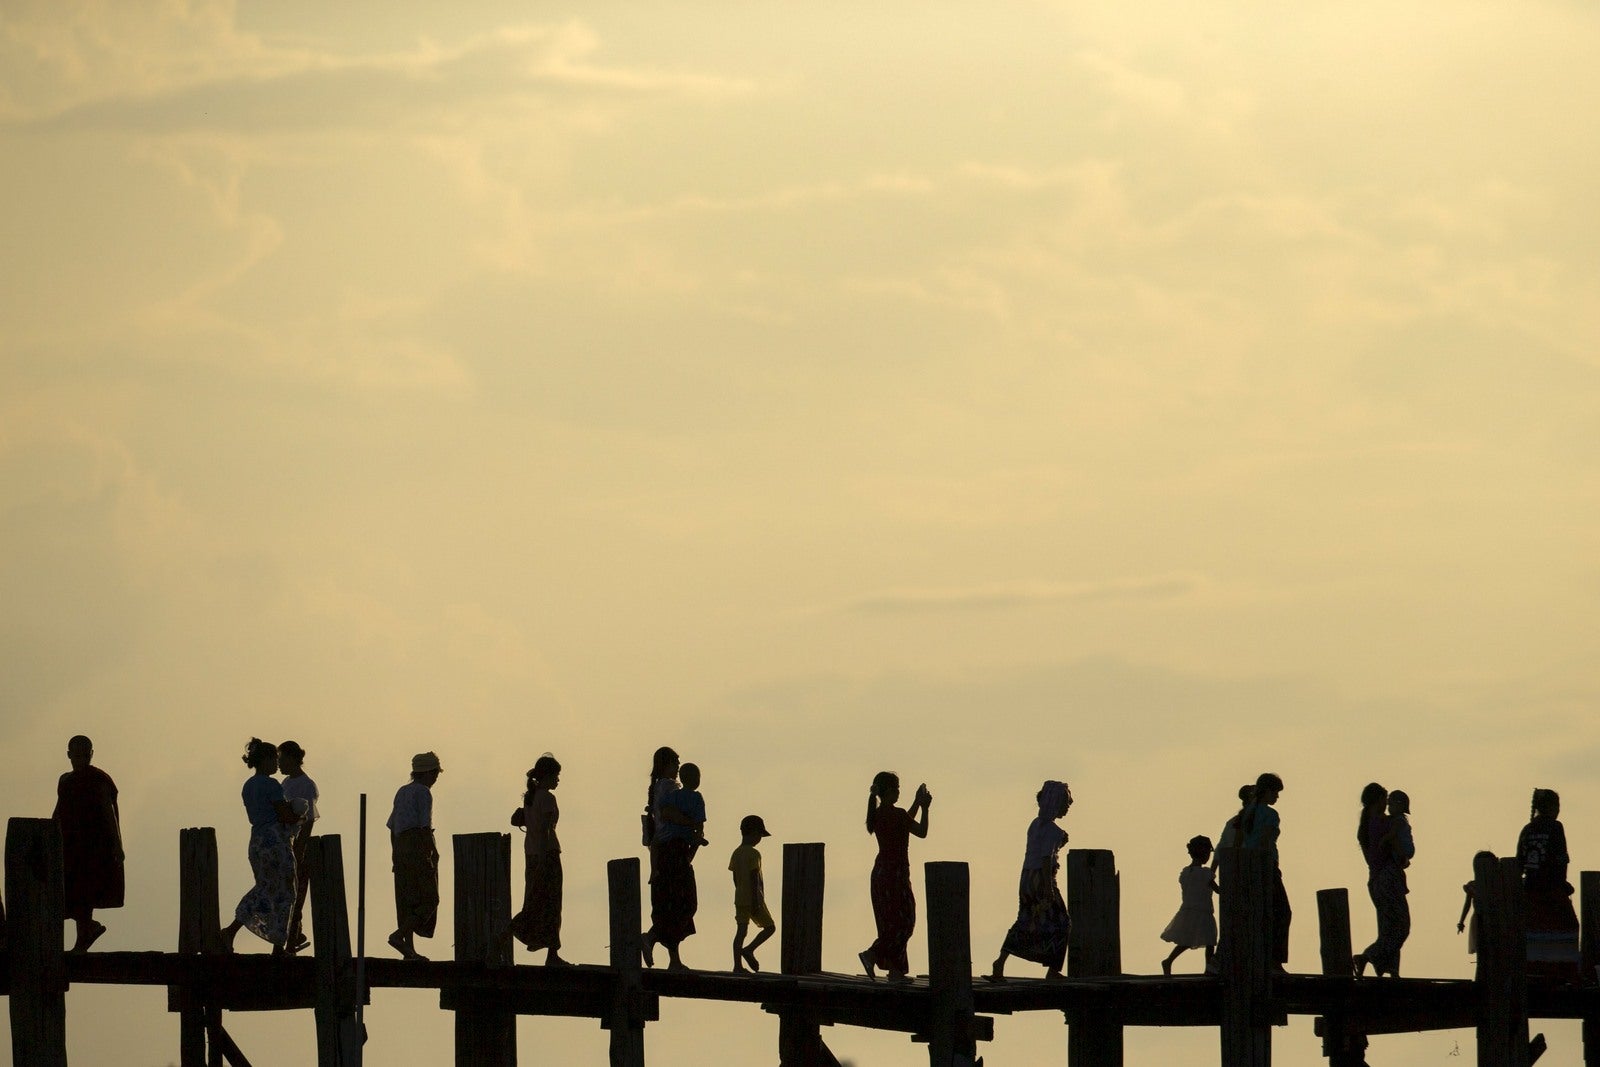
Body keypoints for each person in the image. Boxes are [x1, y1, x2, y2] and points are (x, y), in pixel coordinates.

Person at [220, 739, 300, 953]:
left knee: (264, 887)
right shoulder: (271, 785)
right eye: (274, 759)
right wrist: (297, 813)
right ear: (264, 760)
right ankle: (278, 945)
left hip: (257, 841)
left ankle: (232, 930)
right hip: (274, 841)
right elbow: (284, 815)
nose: (276, 763)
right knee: (286, 891)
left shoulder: (248, 785)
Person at [987, 780, 1072, 981]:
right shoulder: (1053, 830)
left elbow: (1039, 850)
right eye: (1065, 802)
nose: (1068, 806)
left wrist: (1059, 842)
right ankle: (1053, 970)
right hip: (1041, 879)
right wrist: (1048, 889)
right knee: (1063, 922)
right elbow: (1045, 859)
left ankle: (999, 963)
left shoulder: (1035, 825)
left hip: (1026, 878)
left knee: (1024, 919)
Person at [53, 735, 125, 953]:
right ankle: (86, 931)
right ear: (68, 755)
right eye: (76, 755)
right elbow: (58, 811)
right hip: (70, 845)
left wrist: (117, 844)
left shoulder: (98, 779)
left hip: (93, 847)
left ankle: (85, 932)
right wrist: (47, 835)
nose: (81, 759)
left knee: (85, 890)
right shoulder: (65, 780)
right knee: (71, 891)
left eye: (85, 754)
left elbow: (108, 811)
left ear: (91, 754)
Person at [858, 771, 931, 983]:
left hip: (881, 873)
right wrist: (925, 808)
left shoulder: (878, 815)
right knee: (905, 921)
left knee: (890, 922)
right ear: (889, 792)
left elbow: (904, 822)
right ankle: (872, 954)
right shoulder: (897, 815)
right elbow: (921, 831)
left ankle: (896, 971)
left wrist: (916, 802)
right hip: (896, 873)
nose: (899, 792)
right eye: (897, 789)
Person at [644, 761, 706, 970]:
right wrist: (691, 828)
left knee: (670, 904)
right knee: (685, 903)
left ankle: (672, 957)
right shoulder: (694, 798)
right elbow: (698, 828)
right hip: (677, 852)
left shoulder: (672, 795)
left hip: (668, 852)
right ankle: (653, 938)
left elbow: (664, 812)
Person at [510, 754, 567, 965]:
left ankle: (541, 944)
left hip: (531, 855)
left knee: (534, 901)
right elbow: (544, 830)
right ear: (548, 776)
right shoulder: (547, 798)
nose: (558, 780)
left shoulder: (531, 797)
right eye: (556, 776)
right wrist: (545, 859)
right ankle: (551, 953)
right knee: (551, 904)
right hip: (547, 855)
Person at [386, 751, 443, 961]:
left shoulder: (402, 791)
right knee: (430, 898)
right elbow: (423, 827)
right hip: (416, 846)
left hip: (400, 848)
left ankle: (408, 950)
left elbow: (392, 827)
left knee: (407, 900)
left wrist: (395, 855)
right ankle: (399, 935)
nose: (436, 778)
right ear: (428, 773)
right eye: (435, 773)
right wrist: (432, 853)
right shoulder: (423, 792)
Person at [1517, 788, 1579, 977]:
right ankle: (1563, 971)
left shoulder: (1527, 830)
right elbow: (1561, 860)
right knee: (1569, 926)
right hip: (1551, 889)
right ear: (1551, 807)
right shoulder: (1555, 827)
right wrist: (1562, 885)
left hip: (1530, 890)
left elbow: (1519, 862)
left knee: (1534, 931)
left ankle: (1534, 969)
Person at [1354, 789, 1414, 977]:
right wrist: (1402, 859)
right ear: (1379, 800)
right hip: (1389, 879)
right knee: (1401, 926)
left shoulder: (1366, 827)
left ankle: (1389, 968)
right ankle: (1368, 957)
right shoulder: (1386, 823)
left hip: (1376, 881)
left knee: (1388, 928)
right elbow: (1398, 851)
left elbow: (1372, 859)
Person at [1239, 772, 1290, 971]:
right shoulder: (1270, 815)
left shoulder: (1247, 813)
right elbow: (1265, 842)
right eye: (1275, 792)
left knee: (1259, 915)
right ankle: (1275, 961)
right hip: (1266, 866)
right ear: (1266, 791)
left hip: (1248, 867)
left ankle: (1258, 959)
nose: (1277, 797)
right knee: (1282, 912)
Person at [277, 740, 318, 955]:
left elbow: (308, 818)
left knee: (296, 892)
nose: (279, 763)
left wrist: (300, 847)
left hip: (297, 842)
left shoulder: (306, 784)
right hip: (285, 840)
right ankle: (295, 934)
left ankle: (292, 940)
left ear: (292, 759)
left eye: (282, 759)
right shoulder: (285, 782)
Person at [1161, 835, 1219, 975]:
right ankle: (1208, 969)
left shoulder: (1185, 873)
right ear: (1204, 853)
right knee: (1210, 941)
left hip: (1188, 911)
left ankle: (1169, 960)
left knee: (1186, 940)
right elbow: (1218, 890)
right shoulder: (1205, 873)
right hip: (1203, 911)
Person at [729, 814, 776, 973]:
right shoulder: (754, 854)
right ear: (754, 833)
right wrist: (756, 900)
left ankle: (737, 966)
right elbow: (754, 877)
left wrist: (739, 892)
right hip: (753, 897)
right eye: (759, 835)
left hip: (740, 897)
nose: (759, 838)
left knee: (741, 932)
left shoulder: (736, 853)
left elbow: (735, 878)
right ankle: (749, 950)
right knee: (770, 928)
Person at [1457, 850, 1496, 957]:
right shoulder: (1473, 886)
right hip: (1479, 919)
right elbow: (1467, 905)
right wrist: (1461, 922)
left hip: (1494, 918)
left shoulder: (1498, 884)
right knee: (1481, 948)